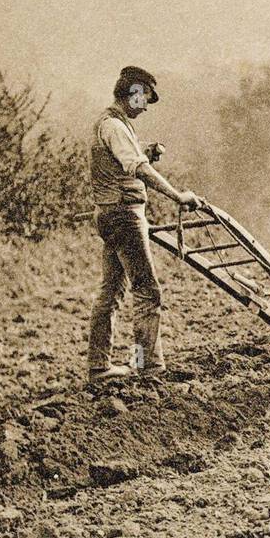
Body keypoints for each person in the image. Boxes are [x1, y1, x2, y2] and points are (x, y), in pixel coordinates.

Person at [87, 65, 199, 383]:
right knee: (148, 291)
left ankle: (99, 367)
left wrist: (146, 152)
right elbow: (136, 167)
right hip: (124, 217)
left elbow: (124, 162)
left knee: (110, 291)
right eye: (145, 98)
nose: (146, 106)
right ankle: (149, 368)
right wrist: (177, 195)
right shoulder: (115, 127)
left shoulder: (111, 125)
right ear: (134, 92)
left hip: (109, 215)